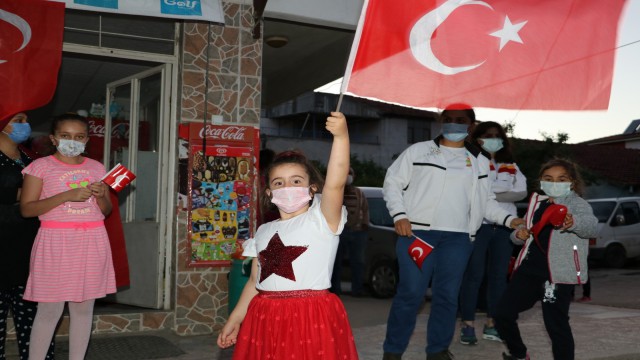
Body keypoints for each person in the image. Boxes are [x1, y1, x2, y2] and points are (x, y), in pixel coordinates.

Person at [381, 104, 523, 360]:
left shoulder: (480, 161)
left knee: (447, 296)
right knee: (411, 293)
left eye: (461, 120)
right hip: (419, 236)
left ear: (471, 124)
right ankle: (392, 351)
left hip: (459, 239)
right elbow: (392, 183)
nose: (454, 124)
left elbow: (486, 202)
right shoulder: (419, 150)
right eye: (449, 119)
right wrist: (399, 215)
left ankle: (437, 350)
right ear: (441, 122)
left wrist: (510, 219)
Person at [217, 112, 358, 359]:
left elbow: (335, 182)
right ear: (269, 193)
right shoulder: (263, 231)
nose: (288, 187)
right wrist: (236, 318)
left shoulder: (322, 219)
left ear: (312, 188)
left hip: (310, 315)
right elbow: (254, 282)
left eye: (296, 181)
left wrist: (342, 136)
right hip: (265, 316)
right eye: (279, 183)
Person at [20, 113, 116, 360]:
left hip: (92, 240)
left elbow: (105, 211)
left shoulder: (96, 167)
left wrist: (102, 194)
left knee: (84, 310)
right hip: (56, 241)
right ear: (53, 138)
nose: (72, 141)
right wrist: (66, 196)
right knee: (50, 310)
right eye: (65, 136)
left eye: (79, 136)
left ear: (86, 139)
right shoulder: (40, 167)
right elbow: (27, 209)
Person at [495, 159, 598, 360]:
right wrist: (519, 235)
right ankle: (519, 354)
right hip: (529, 272)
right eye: (549, 179)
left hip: (556, 277)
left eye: (562, 179)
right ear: (541, 181)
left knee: (556, 325)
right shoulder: (537, 203)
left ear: (572, 183)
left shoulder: (577, 205)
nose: (555, 183)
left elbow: (591, 227)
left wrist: (573, 222)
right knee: (502, 314)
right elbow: (519, 234)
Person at [458, 121, 527, 345]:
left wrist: (489, 194)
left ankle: (492, 324)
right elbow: (471, 192)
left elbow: (522, 192)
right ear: (477, 138)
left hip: (505, 228)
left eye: (497, 135)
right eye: (488, 135)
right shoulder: (469, 162)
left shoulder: (511, 164)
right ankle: (467, 325)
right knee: (473, 276)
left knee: (499, 278)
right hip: (479, 226)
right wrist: (501, 192)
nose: (493, 139)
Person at [0, 113, 55, 360]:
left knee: (34, 323)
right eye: (18, 120)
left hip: (29, 251)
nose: (25, 125)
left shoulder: (30, 158)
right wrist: (21, 193)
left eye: (26, 120)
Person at [331, 167, 370, 296]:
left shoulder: (359, 193)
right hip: (340, 232)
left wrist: (365, 223)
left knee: (358, 262)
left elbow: (365, 209)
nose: (348, 176)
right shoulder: (337, 192)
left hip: (358, 232)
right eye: (346, 174)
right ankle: (335, 289)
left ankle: (357, 289)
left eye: (350, 174)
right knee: (336, 262)